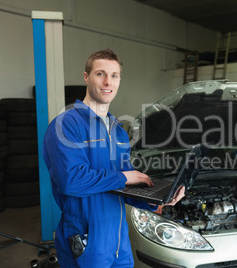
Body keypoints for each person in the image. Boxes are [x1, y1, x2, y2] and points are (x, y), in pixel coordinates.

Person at [43, 49, 185, 267]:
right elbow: (71, 181)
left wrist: (156, 200)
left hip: (119, 240)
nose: (108, 81)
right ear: (86, 77)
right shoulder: (67, 125)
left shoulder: (117, 130)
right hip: (86, 238)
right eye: (100, 74)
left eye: (114, 75)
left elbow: (124, 187)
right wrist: (124, 176)